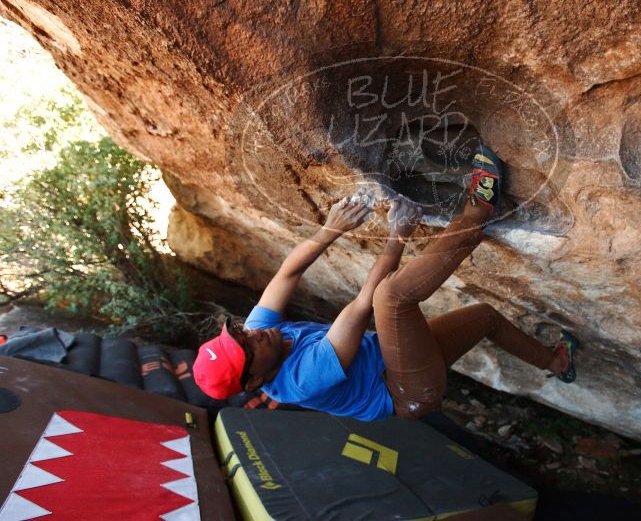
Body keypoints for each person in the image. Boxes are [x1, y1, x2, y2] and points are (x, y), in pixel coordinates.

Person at [193, 146, 579, 421]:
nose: (253, 335)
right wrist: (399, 233)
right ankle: (480, 209)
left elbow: (286, 275)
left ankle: (557, 361)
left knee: (484, 318)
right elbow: (362, 306)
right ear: (256, 380)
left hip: (389, 359)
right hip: (403, 391)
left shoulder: (262, 336)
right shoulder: (300, 381)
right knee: (390, 298)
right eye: (247, 347)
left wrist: (330, 230)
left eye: (240, 333)